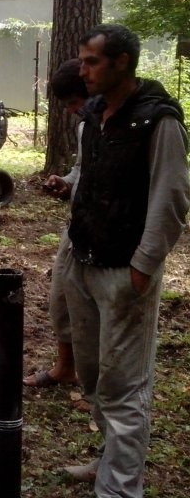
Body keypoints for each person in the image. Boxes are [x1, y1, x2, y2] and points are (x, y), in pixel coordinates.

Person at [59, 24, 190, 494]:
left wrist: (142, 268)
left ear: (122, 63)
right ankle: (109, 460)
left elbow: (171, 198)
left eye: (92, 61)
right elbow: (88, 180)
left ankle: (119, 488)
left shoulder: (159, 121)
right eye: (82, 60)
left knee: (125, 386)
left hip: (124, 271)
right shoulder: (92, 114)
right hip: (84, 262)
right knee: (94, 376)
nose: (83, 69)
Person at [23, 59, 88, 393]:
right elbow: (82, 170)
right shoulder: (85, 128)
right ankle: (66, 368)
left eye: (75, 103)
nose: (73, 112)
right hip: (77, 227)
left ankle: (97, 386)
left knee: (99, 311)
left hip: (112, 236)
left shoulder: (141, 126)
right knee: (60, 296)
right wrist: (66, 182)